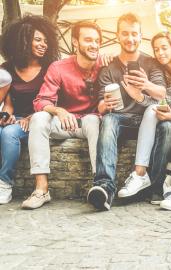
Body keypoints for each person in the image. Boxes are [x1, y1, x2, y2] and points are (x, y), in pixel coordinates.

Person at [87, 13, 166, 211]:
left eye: (134, 34)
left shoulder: (151, 63)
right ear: (117, 35)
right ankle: (104, 187)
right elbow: (100, 107)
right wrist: (106, 104)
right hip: (120, 119)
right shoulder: (108, 68)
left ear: (140, 36)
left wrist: (144, 84)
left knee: (166, 125)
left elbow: (161, 93)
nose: (130, 39)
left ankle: (155, 186)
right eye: (125, 34)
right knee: (108, 119)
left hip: (147, 120)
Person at [117, 31, 171, 211]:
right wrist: (139, 97)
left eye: (164, 48)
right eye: (156, 49)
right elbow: (157, 103)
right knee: (151, 109)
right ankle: (140, 173)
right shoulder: (160, 72)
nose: (160, 53)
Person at [23, 21, 102, 209]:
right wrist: (59, 110)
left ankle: (100, 185)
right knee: (39, 117)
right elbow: (41, 101)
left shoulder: (105, 63)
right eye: (88, 39)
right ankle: (41, 189)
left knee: (92, 119)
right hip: (65, 123)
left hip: (90, 123)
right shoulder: (58, 67)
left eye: (97, 41)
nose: (94, 44)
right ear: (75, 42)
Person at [0, 15, 59, 205]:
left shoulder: (51, 68)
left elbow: (54, 102)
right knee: (4, 128)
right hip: (17, 119)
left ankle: (5, 184)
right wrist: (5, 116)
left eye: (45, 40)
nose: (44, 44)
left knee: (9, 133)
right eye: (38, 39)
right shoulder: (8, 68)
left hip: (42, 119)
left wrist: (30, 117)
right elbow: (8, 103)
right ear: (24, 40)